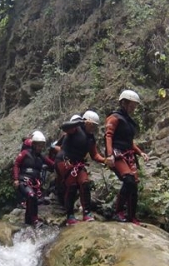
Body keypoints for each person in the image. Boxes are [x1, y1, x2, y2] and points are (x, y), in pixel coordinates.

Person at [58, 111, 113, 225]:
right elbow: (64, 127)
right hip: (64, 161)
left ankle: (86, 213)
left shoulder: (91, 139)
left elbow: (95, 155)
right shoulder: (75, 129)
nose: (93, 128)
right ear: (86, 122)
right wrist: (80, 121)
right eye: (92, 124)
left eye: (95, 126)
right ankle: (69, 215)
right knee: (72, 185)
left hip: (78, 163)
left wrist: (105, 160)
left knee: (85, 183)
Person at [105, 90, 149, 225]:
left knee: (133, 186)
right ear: (124, 103)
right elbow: (108, 136)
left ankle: (132, 216)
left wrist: (140, 152)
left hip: (128, 154)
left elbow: (129, 142)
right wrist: (109, 154)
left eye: (135, 106)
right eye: (132, 105)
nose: (134, 108)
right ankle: (118, 212)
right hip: (117, 154)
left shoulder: (129, 122)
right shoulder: (115, 117)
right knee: (128, 180)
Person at [13, 130, 55, 227]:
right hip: (24, 181)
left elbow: (52, 164)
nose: (40, 147)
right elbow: (16, 164)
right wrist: (15, 179)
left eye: (42, 145)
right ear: (34, 144)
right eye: (38, 145)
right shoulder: (24, 153)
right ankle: (35, 219)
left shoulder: (41, 157)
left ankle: (28, 221)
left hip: (35, 183)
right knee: (31, 196)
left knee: (33, 199)